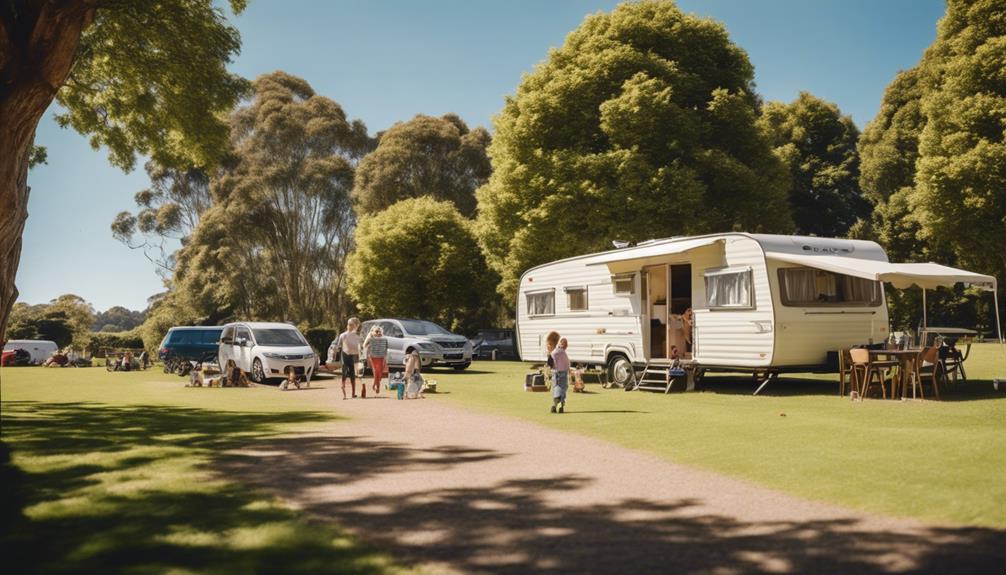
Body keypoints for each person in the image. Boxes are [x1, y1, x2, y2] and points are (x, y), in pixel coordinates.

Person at [329, 317, 362, 399]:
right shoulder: (343, 335)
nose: (349, 326)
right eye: (349, 324)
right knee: (344, 374)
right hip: (345, 356)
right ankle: (344, 394)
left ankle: (353, 393)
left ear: (356, 326)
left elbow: (361, 347)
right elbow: (338, 346)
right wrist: (334, 353)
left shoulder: (358, 337)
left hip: (352, 357)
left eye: (352, 325)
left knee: (352, 374)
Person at [364, 325, 388, 396]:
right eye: (376, 332)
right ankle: (378, 386)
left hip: (381, 357)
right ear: (373, 332)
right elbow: (365, 346)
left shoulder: (384, 339)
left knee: (380, 372)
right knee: (375, 371)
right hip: (373, 357)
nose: (378, 333)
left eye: (379, 332)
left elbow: (386, 348)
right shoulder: (370, 339)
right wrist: (369, 346)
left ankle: (375, 383)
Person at [550, 337, 571, 413]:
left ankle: (556, 406)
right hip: (562, 373)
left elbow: (550, 363)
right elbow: (567, 364)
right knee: (562, 389)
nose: (566, 346)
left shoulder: (554, 352)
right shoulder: (562, 353)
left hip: (556, 373)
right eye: (565, 344)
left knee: (556, 388)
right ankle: (559, 406)